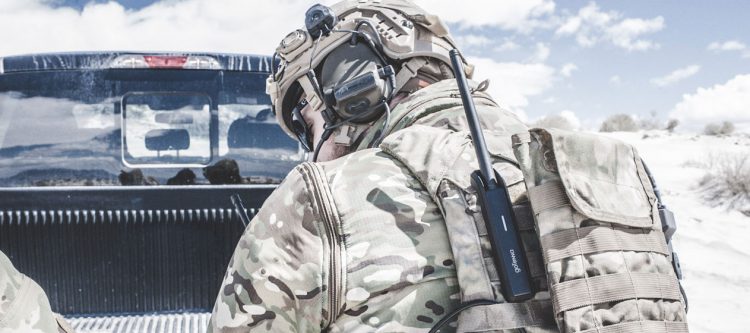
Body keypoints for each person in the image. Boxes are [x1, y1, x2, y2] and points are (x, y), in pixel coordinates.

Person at [209, 1, 556, 332]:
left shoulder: (317, 202)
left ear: (350, 95)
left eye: (306, 125)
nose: (313, 150)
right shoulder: (583, 163)